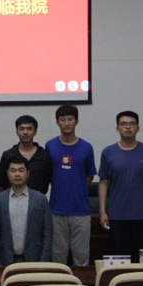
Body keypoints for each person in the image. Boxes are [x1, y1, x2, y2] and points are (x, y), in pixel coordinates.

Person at [98, 110, 143, 262]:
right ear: (117, 128)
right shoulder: (108, 152)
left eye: (132, 124)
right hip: (117, 216)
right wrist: (102, 211)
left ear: (138, 128)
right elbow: (103, 182)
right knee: (119, 259)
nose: (128, 127)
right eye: (124, 124)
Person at [45, 104, 97, 266]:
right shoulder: (50, 146)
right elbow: (48, 174)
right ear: (57, 122)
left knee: (81, 258)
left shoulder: (86, 147)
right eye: (62, 120)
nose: (66, 123)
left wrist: (75, 188)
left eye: (70, 119)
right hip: (56, 210)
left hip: (80, 211)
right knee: (58, 257)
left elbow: (89, 176)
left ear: (77, 121)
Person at [0, 155, 53, 265]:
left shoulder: (40, 199)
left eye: (21, 170)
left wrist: (43, 261)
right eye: (13, 170)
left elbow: (48, 232)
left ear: (28, 173)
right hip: (6, 261)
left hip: (34, 260)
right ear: (7, 173)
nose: (17, 174)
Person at [0, 115, 52, 193]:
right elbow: (3, 182)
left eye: (29, 129)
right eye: (22, 129)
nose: (25, 132)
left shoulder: (44, 155)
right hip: (12, 199)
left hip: (37, 199)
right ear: (17, 132)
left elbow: (46, 181)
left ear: (35, 132)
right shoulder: (8, 155)